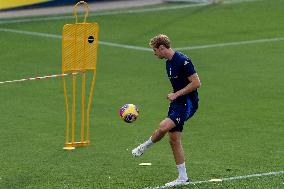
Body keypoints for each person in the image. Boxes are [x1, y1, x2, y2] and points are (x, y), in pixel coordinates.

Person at [132, 34, 201, 187]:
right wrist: (175, 96)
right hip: (177, 103)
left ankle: (145, 146)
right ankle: (183, 178)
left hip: (188, 104)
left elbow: (196, 83)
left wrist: (176, 94)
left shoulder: (183, 61)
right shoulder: (168, 63)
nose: (154, 53)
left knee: (164, 126)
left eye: (155, 50)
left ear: (162, 48)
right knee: (174, 140)